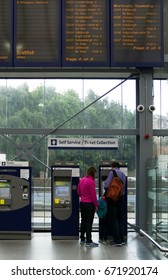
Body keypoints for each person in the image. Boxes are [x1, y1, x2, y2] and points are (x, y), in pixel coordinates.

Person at [104, 161, 126, 247]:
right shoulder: (123, 174)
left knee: (114, 219)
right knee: (119, 219)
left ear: (113, 167)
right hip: (120, 198)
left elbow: (106, 185)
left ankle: (117, 241)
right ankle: (122, 239)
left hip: (112, 198)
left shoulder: (112, 172)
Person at [77, 166, 99, 247]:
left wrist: (83, 196)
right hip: (89, 204)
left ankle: (82, 238)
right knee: (89, 222)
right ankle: (89, 241)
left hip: (82, 203)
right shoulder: (91, 181)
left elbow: (78, 192)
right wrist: (96, 205)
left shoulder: (82, 180)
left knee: (83, 221)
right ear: (93, 173)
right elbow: (93, 195)